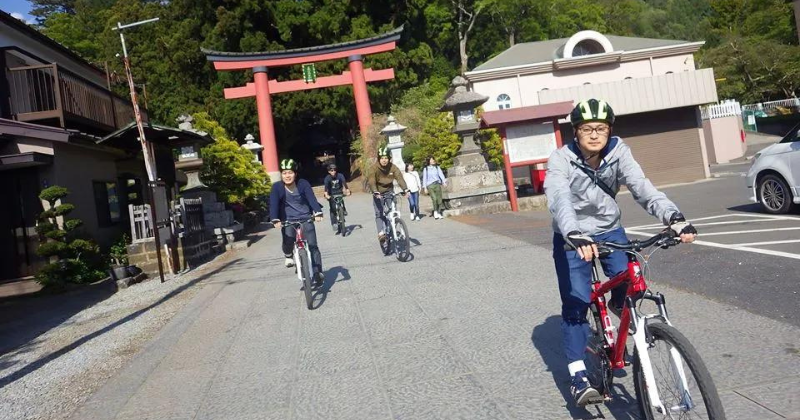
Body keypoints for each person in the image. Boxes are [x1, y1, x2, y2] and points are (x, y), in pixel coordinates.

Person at [543, 99, 698, 407]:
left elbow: (642, 187)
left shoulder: (619, 152)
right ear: (575, 132)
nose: (594, 134)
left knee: (629, 284)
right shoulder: (560, 158)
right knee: (576, 302)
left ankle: (619, 314)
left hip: (610, 230)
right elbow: (558, 196)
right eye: (587, 128)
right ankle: (578, 376)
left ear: (609, 130)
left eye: (600, 128)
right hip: (572, 235)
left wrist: (673, 218)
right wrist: (574, 233)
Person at [269, 158, 325, 285]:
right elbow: (273, 204)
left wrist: (318, 212)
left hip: (305, 217)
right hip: (288, 219)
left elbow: (311, 199)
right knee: (288, 240)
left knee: (312, 245)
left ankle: (317, 272)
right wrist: (275, 219)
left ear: (295, 173)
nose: (287, 176)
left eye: (290, 172)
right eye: (284, 173)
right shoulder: (277, 187)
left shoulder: (303, 183)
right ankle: (288, 255)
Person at [368, 147, 409, 242]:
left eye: (386, 158)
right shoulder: (374, 168)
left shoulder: (393, 167)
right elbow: (371, 180)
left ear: (389, 158)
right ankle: (381, 233)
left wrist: (405, 189)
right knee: (379, 213)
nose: (384, 160)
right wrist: (375, 191)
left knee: (392, 210)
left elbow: (399, 178)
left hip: (389, 191)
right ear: (379, 159)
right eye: (382, 158)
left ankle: (393, 225)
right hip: (378, 192)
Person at [322, 163, 351, 234]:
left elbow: (344, 182)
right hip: (331, 194)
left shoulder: (340, 175)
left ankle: (343, 209)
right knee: (332, 209)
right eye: (331, 170)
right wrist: (326, 194)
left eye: (334, 170)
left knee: (341, 199)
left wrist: (347, 190)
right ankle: (334, 223)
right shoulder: (327, 178)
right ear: (329, 171)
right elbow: (326, 188)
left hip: (339, 192)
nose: (333, 172)